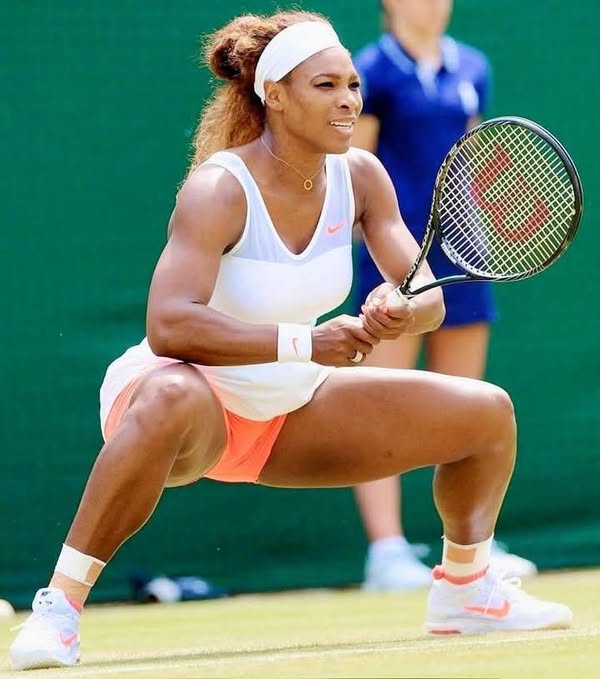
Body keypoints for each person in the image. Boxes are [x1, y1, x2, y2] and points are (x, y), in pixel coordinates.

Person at [9, 10, 571, 671]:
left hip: (287, 413)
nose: (348, 100)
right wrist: (307, 344)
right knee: (168, 393)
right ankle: (59, 608)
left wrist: (400, 306)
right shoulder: (219, 188)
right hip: (190, 410)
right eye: (325, 86)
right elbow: (170, 325)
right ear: (275, 95)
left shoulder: (362, 176)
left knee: (487, 414)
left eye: (353, 85)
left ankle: (466, 590)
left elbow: (430, 301)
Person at [350, 0, 538, 592]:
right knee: (379, 407)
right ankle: (386, 553)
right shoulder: (370, 71)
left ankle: (470, 551)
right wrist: (380, 249)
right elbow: (356, 169)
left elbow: (476, 160)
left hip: (466, 254)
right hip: (393, 258)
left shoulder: (472, 67)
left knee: (465, 407)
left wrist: (492, 221)